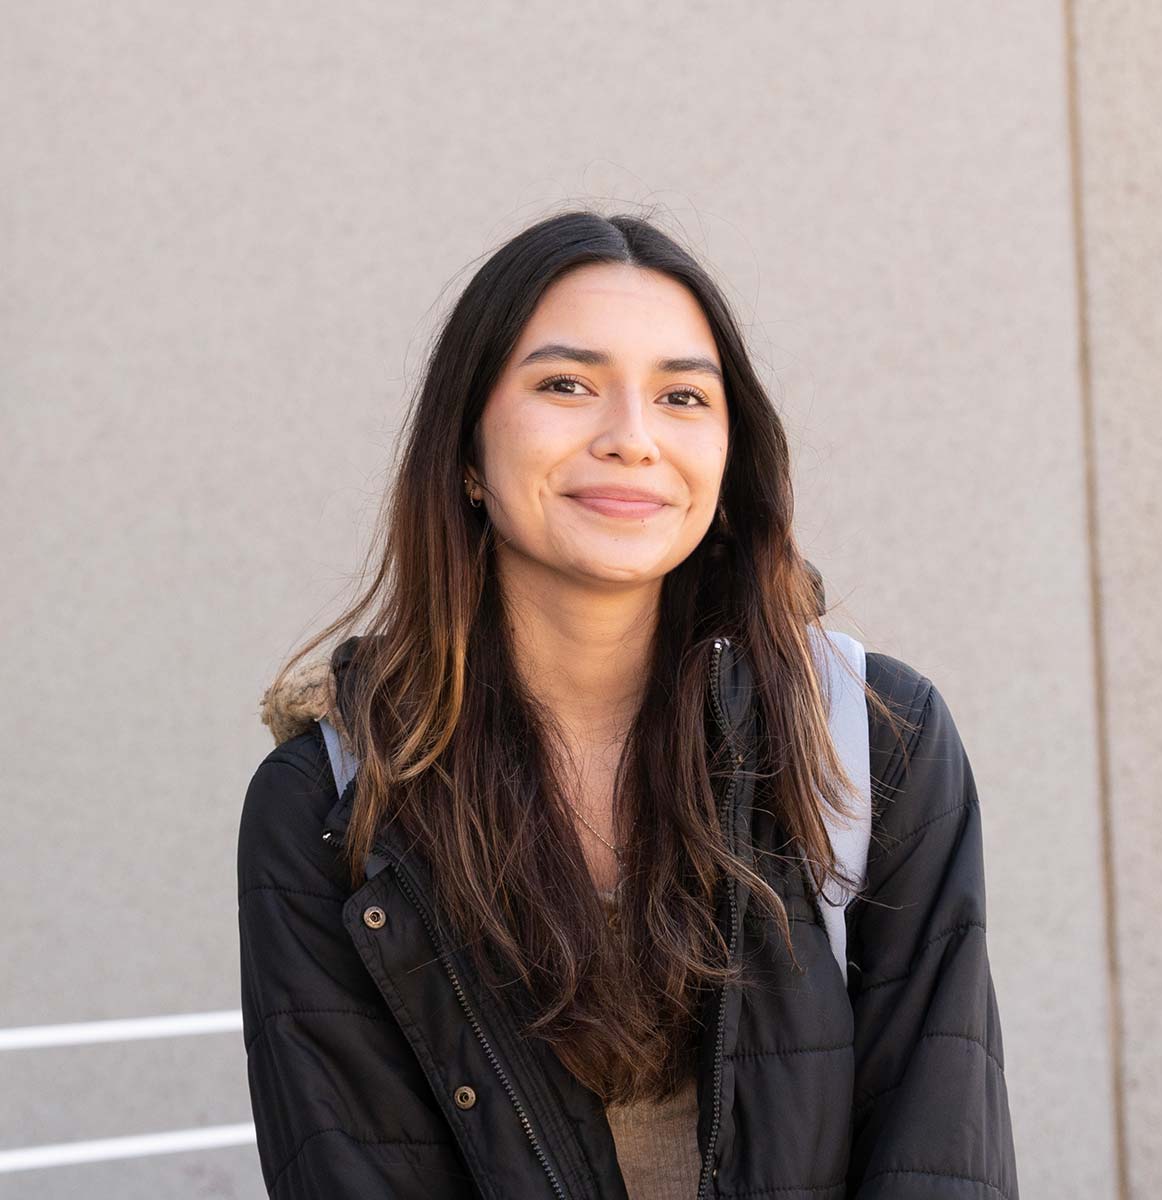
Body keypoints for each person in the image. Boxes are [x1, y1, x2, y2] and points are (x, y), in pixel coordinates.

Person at [239, 209, 1019, 1199]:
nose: (632, 439)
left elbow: (940, 1149)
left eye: (683, 396)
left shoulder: (869, 739)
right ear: (468, 450)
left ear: (731, 457)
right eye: (566, 385)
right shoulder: (331, 807)